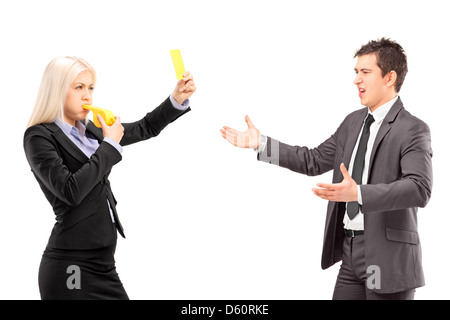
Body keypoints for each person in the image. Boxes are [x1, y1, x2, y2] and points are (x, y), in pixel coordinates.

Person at [220, 38, 432, 300]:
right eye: (356, 72)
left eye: (365, 72)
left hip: (386, 257)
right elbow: (314, 159)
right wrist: (261, 144)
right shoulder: (353, 122)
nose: (357, 80)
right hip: (350, 251)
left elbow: (419, 189)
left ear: (390, 78)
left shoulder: (412, 128)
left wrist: (360, 194)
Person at [24, 56, 196, 299]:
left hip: (104, 265)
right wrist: (110, 144)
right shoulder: (39, 137)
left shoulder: (92, 131)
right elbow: (71, 191)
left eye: (91, 88)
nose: (88, 96)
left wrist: (176, 99)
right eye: (78, 87)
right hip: (71, 266)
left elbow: (145, 127)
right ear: (57, 90)